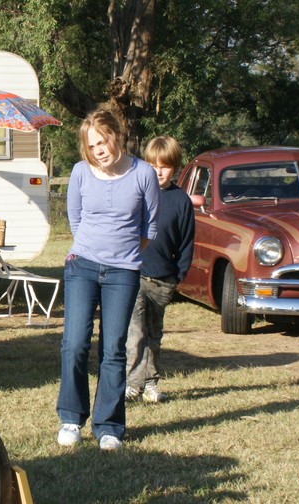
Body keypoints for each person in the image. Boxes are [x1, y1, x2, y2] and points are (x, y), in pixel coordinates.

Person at [57, 109, 159, 452]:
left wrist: (122, 255)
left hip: (123, 272)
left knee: (113, 349)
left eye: (103, 141)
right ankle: (71, 418)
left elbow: (149, 228)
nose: (99, 149)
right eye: (92, 144)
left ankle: (109, 426)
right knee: (74, 344)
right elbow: (75, 219)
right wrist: (91, 249)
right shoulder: (79, 173)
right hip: (82, 266)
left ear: (118, 134)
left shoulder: (144, 173)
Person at [125, 136, 195, 404]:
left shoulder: (181, 202)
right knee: (136, 333)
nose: (159, 171)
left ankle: (151, 384)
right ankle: (132, 385)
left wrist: (178, 276)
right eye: (153, 165)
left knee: (154, 335)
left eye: (164, 166)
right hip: (135, 275)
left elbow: (187, 243)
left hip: (164, 280)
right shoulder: (138, 195)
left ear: (175, 167)